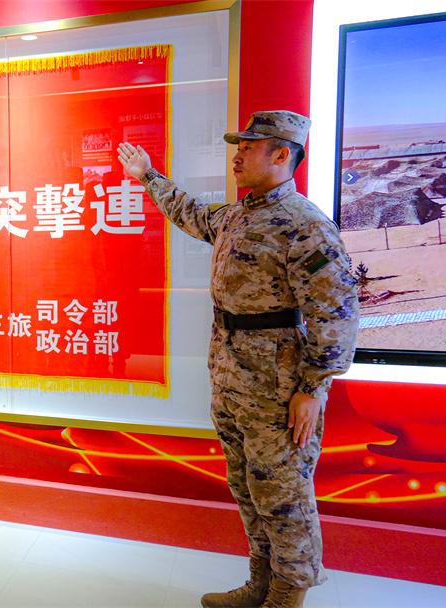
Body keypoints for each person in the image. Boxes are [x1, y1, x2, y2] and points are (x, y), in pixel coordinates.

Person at [118, 111, 359, 608]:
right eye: (238, 146)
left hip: (278, 387)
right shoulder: (238, 215)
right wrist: (147, 176)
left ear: (281, 155)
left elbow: (336, 314)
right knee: (249, 486)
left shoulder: (306, 226)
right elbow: (190, 213)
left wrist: (312, 389)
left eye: (249, 147)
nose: (238, 155)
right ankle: (260, 584)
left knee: (284, 494)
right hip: (233, 378)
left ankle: (286, 597)